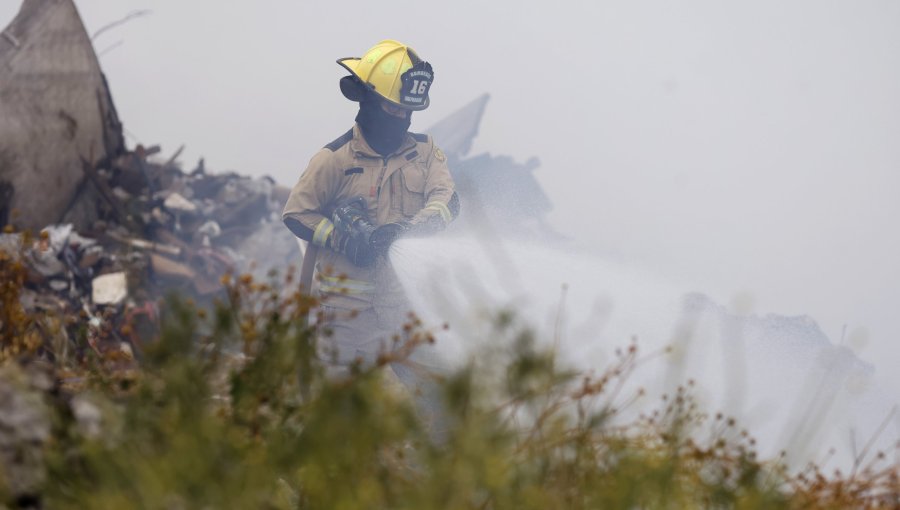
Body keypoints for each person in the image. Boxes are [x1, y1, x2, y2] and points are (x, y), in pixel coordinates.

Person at [282, 40, 459, 428]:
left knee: (446, 405)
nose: (402, 118)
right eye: (393, 108)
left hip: (404, 308)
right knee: (337, 422)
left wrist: (410, 230)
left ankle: (440, 466)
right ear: (367, 99)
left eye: (408, 111)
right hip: (348, 317)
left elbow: (447, 199)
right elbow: (297, 213)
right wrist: (344, 239)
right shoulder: (334, 159)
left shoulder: (425, 153)